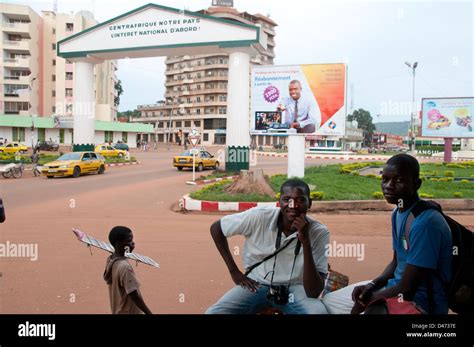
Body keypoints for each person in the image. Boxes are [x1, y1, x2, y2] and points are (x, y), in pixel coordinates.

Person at [322, 154, 452, 314]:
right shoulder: (398, 212)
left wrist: (369, 300)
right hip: (396, 287)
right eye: (385, 179)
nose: (389, 186)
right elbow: (396, 261)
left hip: (420, 302)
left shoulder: (426, 222)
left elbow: (407, 289)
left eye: (398, 180)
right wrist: (372, 286)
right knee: (329, 302)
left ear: (416, 184)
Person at [206, 178, 329, 314]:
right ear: (279, 202)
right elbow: (217, 228)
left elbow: (313, 291)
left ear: (309, 203)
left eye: (300, 200)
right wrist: (234, 272)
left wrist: (305, 241)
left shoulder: (319, 232)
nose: (293, 205)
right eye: (287, 199)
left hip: (296, 287)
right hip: (257, 283)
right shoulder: (260, 217)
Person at [103, 226, 152, 314]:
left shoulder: (111, 259)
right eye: (129, 241)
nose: (133, 243)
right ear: (118, 243)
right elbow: (134, 295)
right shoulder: (125, 267)